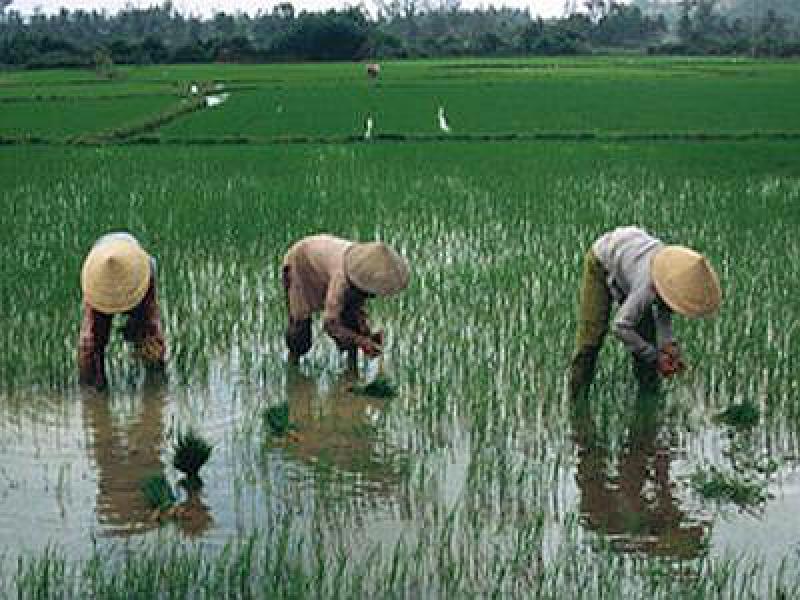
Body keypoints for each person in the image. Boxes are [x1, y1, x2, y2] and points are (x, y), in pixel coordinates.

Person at [568, 226, 721, 397]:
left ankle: (648, 398)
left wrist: (668, 346)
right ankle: (577, 397)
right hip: (603, 258)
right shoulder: (646, 288)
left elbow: (664, 313)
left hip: (631, 259)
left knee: (646, 334)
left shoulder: (670, 277)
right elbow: (620, 326)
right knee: (592, 336)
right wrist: (654, 356)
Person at [282, 234, 410, 368]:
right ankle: (293, 370)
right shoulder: (341, 279)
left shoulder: (361, 267)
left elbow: (356, 308)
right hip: (301, 263)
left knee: (352, 322)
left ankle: (351, 372)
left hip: (324, 262)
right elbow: (330, 324)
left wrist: (367, 334)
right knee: (300, 334)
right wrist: (360, 341)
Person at [78, 232, 166, 388]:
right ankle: (93, 390)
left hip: (136, 275)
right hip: (100, 274)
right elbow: (88, 339)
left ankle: (155, 384)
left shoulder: (146, 269)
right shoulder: (94, 276)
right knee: (90, 344)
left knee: (151, 336)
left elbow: (152, 314)